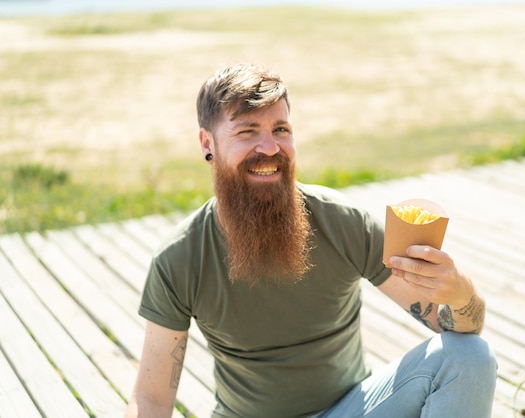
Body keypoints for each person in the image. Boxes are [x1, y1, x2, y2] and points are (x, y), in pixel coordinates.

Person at [124, 63, 497, 418]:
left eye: (281, 129)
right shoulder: (180, 258)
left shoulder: (341, 221)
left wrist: (461, 292)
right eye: (247, 131)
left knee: (471, 356)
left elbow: (459, 327)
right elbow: (152, 398)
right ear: (208, 143)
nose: (270, 148)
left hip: (353, 410)